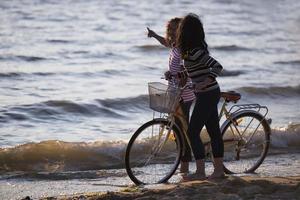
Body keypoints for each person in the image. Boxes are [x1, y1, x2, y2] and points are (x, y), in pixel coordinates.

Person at [176, 13, 225, 180]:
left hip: (209, 94)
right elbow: (194, 71)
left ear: (185, 32)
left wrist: (205, 82)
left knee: (192, 131)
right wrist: (179, 75)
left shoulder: (196, 52)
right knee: (213, 131)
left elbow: (217, 67)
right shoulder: (188, 53)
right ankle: (218, 171)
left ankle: (200, 172)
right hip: (205, 95)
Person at [147, 18, 195, 174]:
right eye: (169, 31)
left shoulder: (183, 49)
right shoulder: (174, 45)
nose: (170, 34)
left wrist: (180, 77)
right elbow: (165, 42)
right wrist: (153, 35)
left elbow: (187, 70)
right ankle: (183, 164)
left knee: (182, 132)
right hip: (174, 92)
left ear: (181, 32)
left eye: (174, 30)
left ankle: (185, 166)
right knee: (177, 131)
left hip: (184, 94)